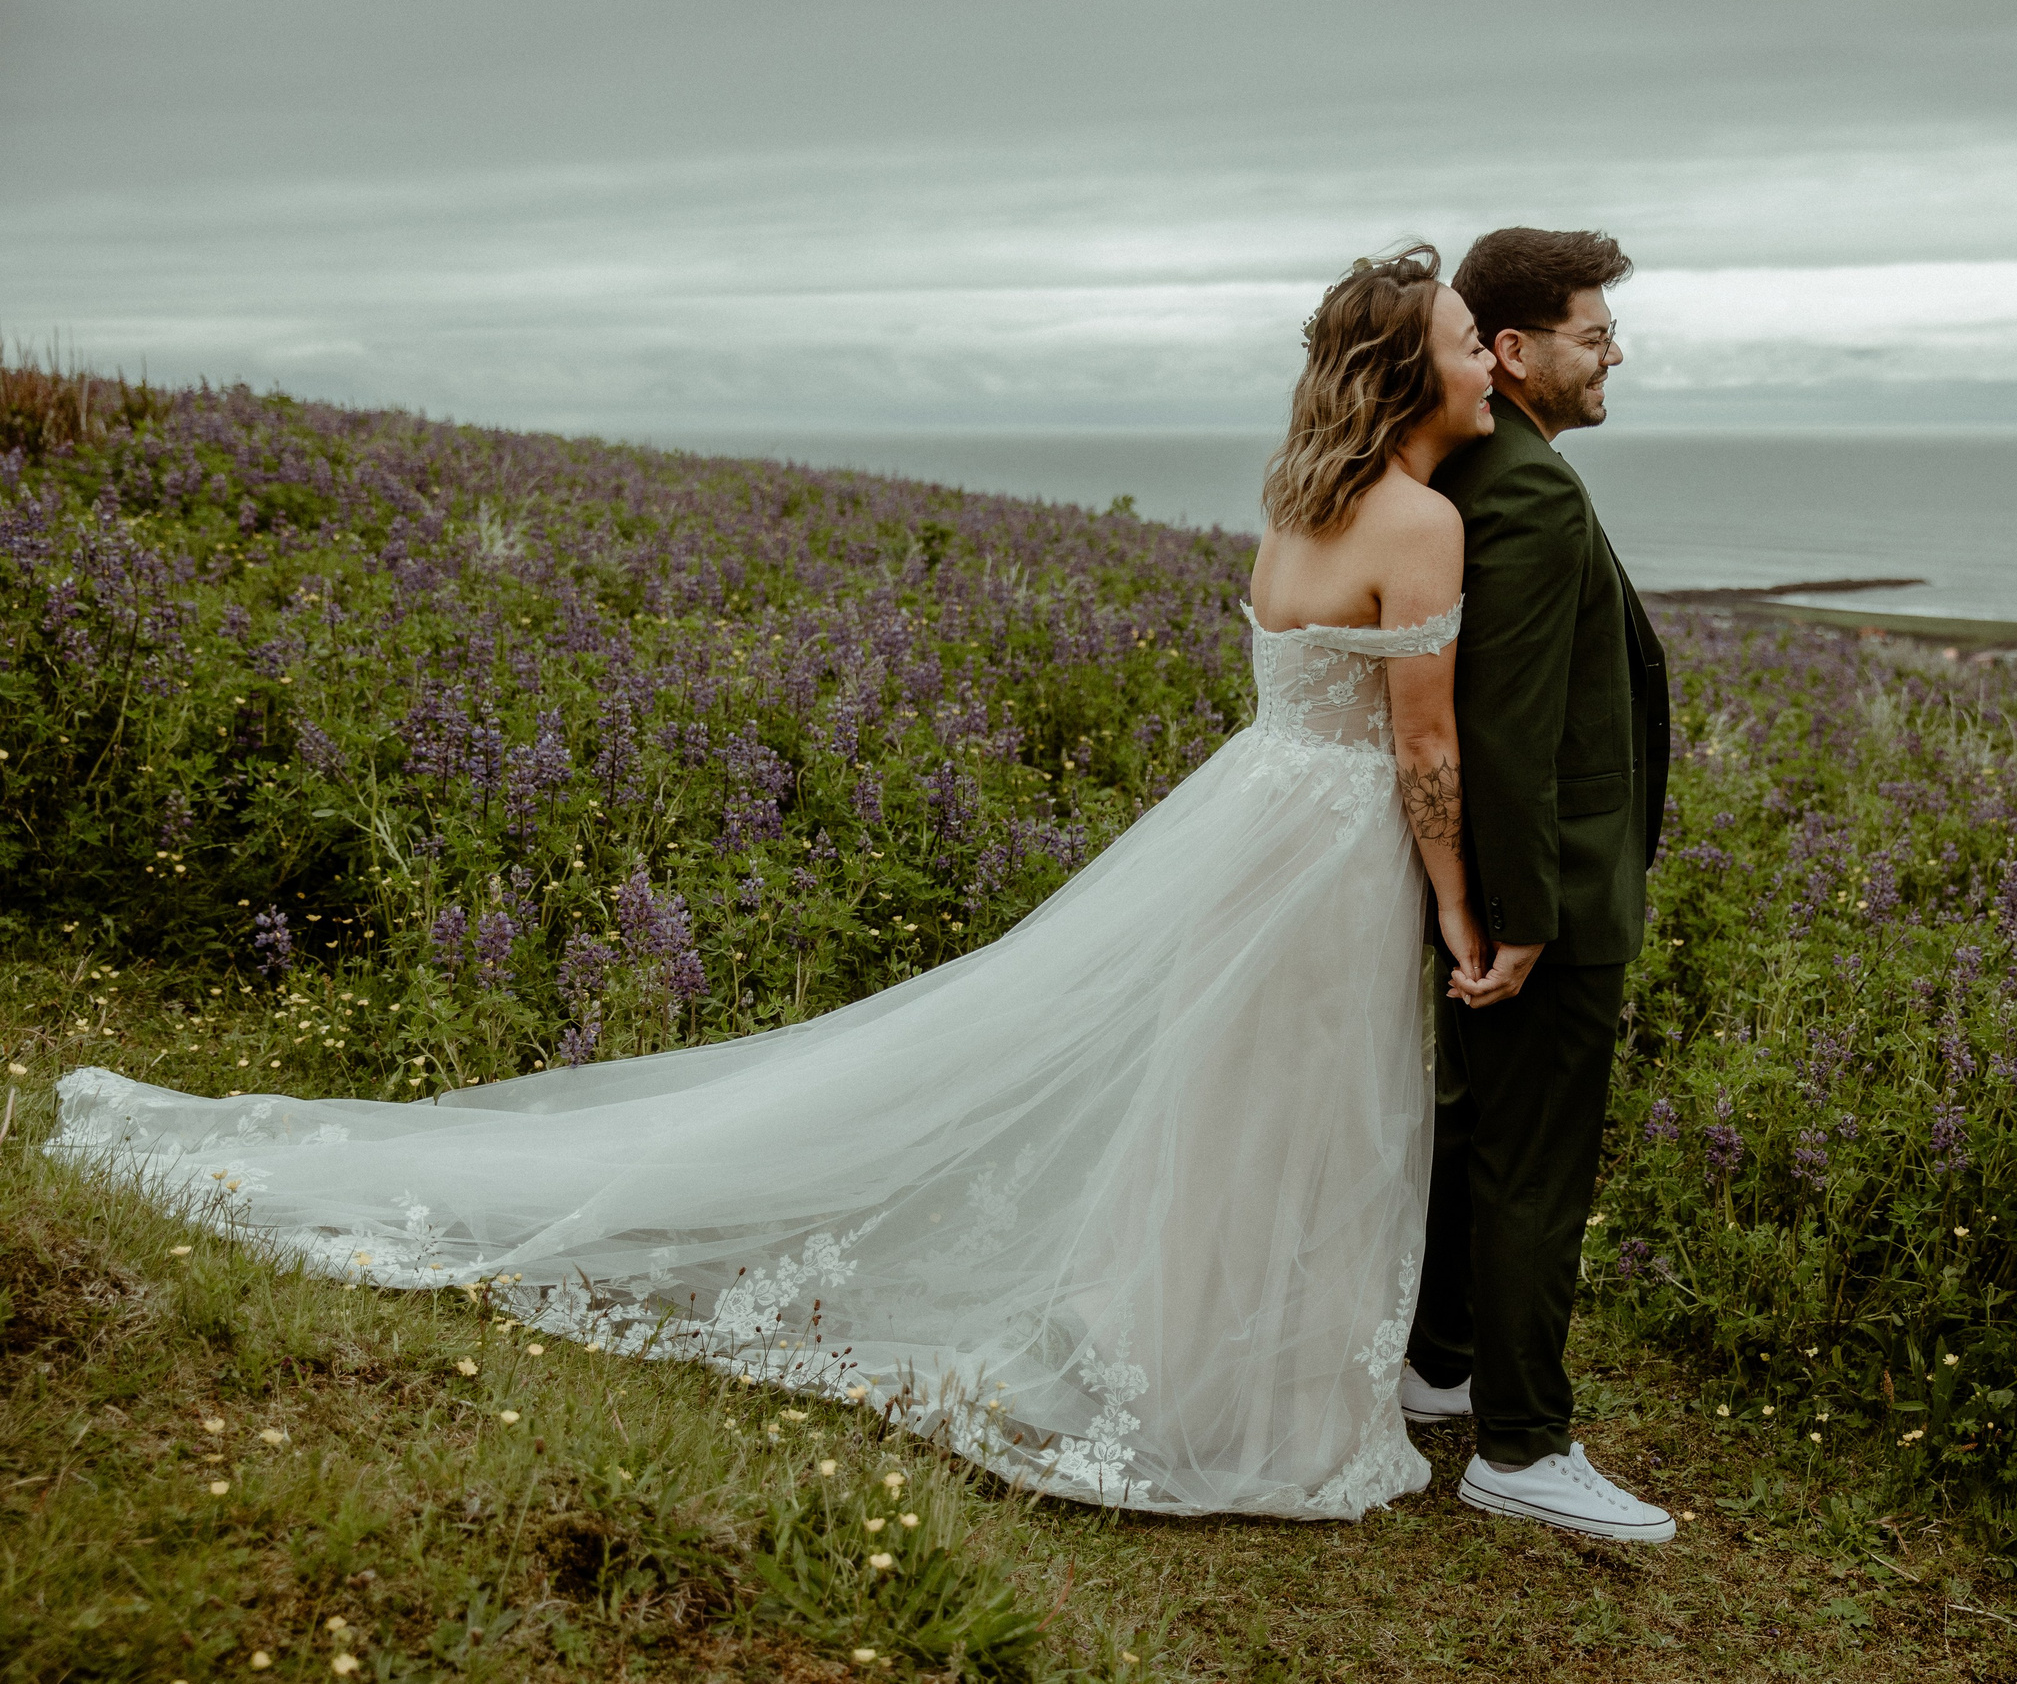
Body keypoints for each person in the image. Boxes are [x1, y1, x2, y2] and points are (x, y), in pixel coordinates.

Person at [47, 246, 1503, 1522]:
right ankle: (1254, 1410)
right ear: (1403, 369)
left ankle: (1203, 1378)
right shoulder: (1424, 524)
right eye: (1460, 339)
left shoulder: (1298, 498)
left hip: (1249, 811)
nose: (1485, 360)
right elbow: (1424, 750)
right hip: (1325, 844)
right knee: (1297, 1108)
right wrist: (1453, 904)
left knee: (1231, 1104)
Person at [1396, 228, 1676, 1544]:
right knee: (1535, 1165)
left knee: (1477, 1145)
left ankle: (1442, 1367)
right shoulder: (1529, 490)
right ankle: (1522, 1445)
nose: (1615, 348)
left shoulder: (1481, 467)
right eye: (1592, 329)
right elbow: (1502, 726)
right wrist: (1520, 917)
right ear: (1513, 353)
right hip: (1546, 901)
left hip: (1519, 891)